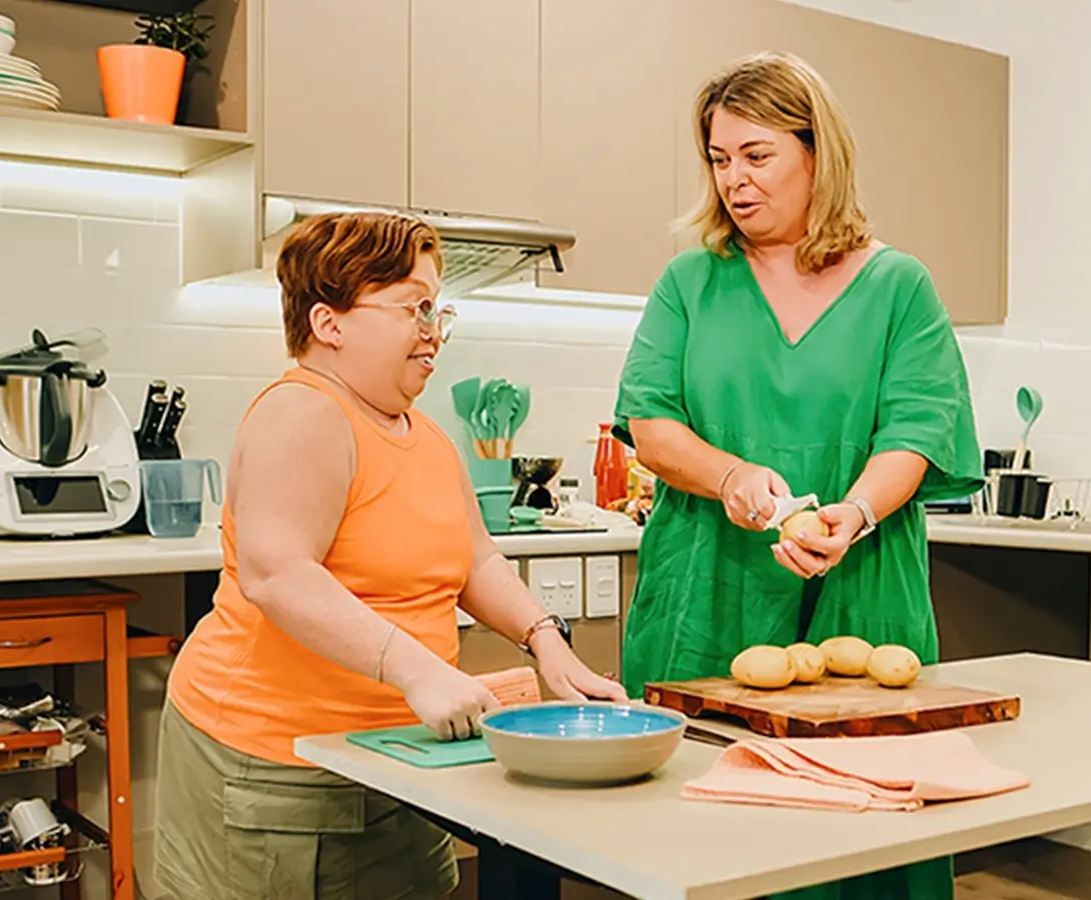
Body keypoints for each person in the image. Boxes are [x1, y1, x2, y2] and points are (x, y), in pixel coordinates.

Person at [153, 210, 625, 900]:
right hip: (276, 771)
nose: (434, 331)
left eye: (438, 308)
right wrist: (415, 669)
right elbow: (277, 574)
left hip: (401, 762)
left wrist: (545, 641)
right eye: (414, 307)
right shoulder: (303, 413)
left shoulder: (425, 435)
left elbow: (477, 561)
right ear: (329, 323)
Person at [612, 51, 983, 899]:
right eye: (718, 159)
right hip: (708, 590)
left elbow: (917, 432)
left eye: (757, 155)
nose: (733, 181)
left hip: (862, 587)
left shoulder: (899, 288)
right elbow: (651, 420)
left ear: (818, 153)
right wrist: (732, 474)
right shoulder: (691, 282)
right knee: (708, 840)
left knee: (866, 828)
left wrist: (852, 513)